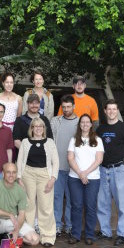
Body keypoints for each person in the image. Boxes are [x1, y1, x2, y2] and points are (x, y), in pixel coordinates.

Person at [96, 99, 124, 246]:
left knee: (122, 204)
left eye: (114, 109)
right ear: (105, 111)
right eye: (109, 109)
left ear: (117, 110)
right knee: (102, 202)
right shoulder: (100, 129)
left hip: (119, 170)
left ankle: (122, 234)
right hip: (102, 170)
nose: (112, 112)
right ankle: (105, 232)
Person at [16, 118, 58, 247]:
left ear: (44, 129)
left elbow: (56, 162)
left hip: (45, 174)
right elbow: (19, 160)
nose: (38, 128)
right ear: (32, 128)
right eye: (35, 126)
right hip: (28, 173)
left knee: (45, 206)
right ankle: (30, 234)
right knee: (28, 205)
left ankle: (48, 237)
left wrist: (53, 178)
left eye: (41, 126)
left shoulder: (50, 142)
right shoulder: (25, 142)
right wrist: (19, 178)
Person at [0, 162, 40, 248]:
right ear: (3, 173)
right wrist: (9, 214)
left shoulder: (20, 190)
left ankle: (8, 236)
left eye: (14, 172)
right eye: (8, 172)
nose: (11, 175)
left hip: (13, 221)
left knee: (35, 240)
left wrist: (16, 230)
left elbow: (22, 214)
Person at [67, 114, 104, 245]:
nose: (85, 124)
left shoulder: (98, 140)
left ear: (91, 124)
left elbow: (99, 159)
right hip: (74, 178)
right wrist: (80, 173)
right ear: (79, 124)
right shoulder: (73, 140)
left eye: (87, 122)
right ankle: (75, 235)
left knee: (90, 206)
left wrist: (85, 173)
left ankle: (89, 235)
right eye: (82, 122)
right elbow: (70, 158)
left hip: (92, 178)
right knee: (76, 206)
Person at [50, 95, 78, 237]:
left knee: (72, 199)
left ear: (74, 106)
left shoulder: (80, 123)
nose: (66, 110)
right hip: (58, 167)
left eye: (69, 107)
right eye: (64, 107)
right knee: (57, 197)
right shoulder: (55, 121)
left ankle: (70, 225)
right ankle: (57, 225)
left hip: (74, 169)